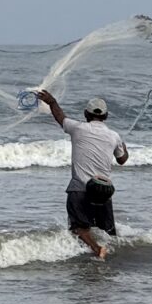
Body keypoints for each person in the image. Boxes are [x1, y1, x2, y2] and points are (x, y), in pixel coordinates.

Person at [36, 90, 129, 260]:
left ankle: (97, 249)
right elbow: (122, 159)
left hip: (80, 188)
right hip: (104, 190)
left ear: (86, 114)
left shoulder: (78, 128)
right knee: (108, 232)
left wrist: (52, 101)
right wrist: (125, 148)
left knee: (78, 229)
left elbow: (60, 117)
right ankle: (109, 256)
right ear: (106, 116)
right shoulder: (114, 136)